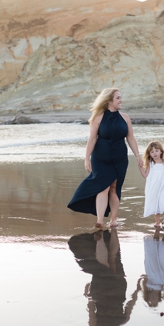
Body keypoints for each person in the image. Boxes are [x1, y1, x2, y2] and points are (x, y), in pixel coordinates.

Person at [68, 88, 143, 228]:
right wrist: (86, 158)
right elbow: (91, 139)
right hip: (101, 158)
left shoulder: (125, 118)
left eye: (120, 97)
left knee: (115, 188)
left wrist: (138, 155)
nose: (121, 100)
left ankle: (113, 219)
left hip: (120, 158)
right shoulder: (98, 117)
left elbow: (131, 138)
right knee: (103, 187)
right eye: (118, 98)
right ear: (109, 101)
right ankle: (100, 221)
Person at [140, 141, 164, 227]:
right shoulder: (150, 164)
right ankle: (157, 222)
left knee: (161, 200)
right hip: (153, 186)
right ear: (149, 154)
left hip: (162, 185)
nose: (155, 153)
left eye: (156, 151)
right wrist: (140, 168)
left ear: (161, 151)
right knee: (155, 201)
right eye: (152, 152)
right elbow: (145, 175)